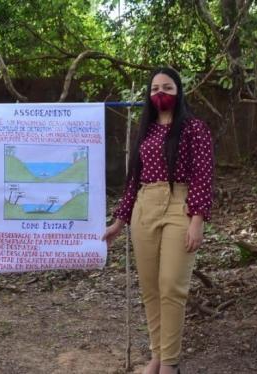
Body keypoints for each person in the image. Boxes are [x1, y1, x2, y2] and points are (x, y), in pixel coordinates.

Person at [102, 67, 213, 374]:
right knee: (150, 287)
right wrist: (119, 223)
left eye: (166, 87)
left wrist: (197, 220)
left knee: (171, 286)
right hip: (144, 207)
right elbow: (132, 181)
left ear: (178, 91)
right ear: (148, 96)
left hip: (180, 205)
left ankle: (171, 364)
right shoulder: (146, 131)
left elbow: (203, 177)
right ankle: (157, 357)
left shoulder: (194, 128)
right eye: (154, 89)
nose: (160, 93)